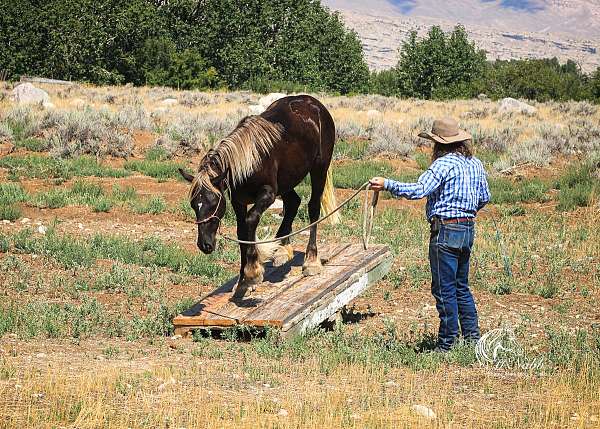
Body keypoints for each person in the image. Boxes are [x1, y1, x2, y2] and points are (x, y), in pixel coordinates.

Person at [369, 117, 491, 352]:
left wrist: (387, 184)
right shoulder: (475, 163)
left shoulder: (442, 165)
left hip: (445, 230)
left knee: (444, 289)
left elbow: (419, 190)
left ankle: (447, 345)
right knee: (461, 286)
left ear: (439, 144)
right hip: (467, 228)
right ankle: (472, 338)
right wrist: (466, 212)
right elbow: (484, 197)